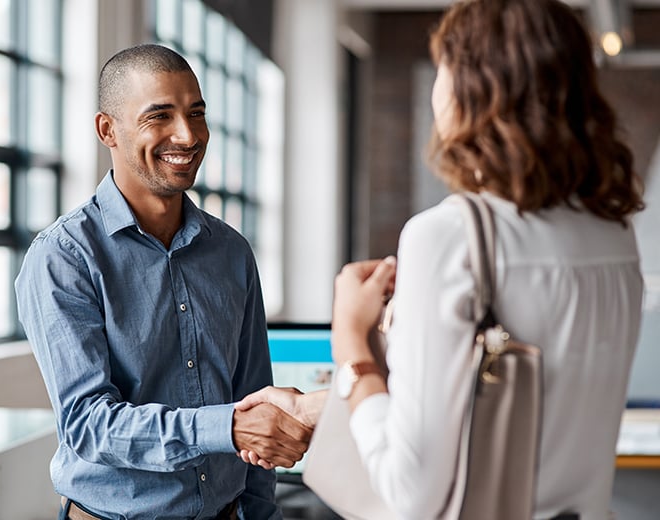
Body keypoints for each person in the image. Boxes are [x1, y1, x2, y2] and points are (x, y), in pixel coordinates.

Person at [237, 0, 645, 518]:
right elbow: (491, 410)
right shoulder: (613, 233)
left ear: (473, 89)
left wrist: (351, 343)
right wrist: (312, 408)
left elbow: (408, 492)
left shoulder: (449, 236)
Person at [15, 43, 312, 520]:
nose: (187, 135)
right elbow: (89, 426)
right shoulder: (63, 257)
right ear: (107, 130)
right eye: (160, 116)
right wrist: (227, 428)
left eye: (196, 114)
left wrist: (260, 511)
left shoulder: (232, 252)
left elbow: (256, 399)